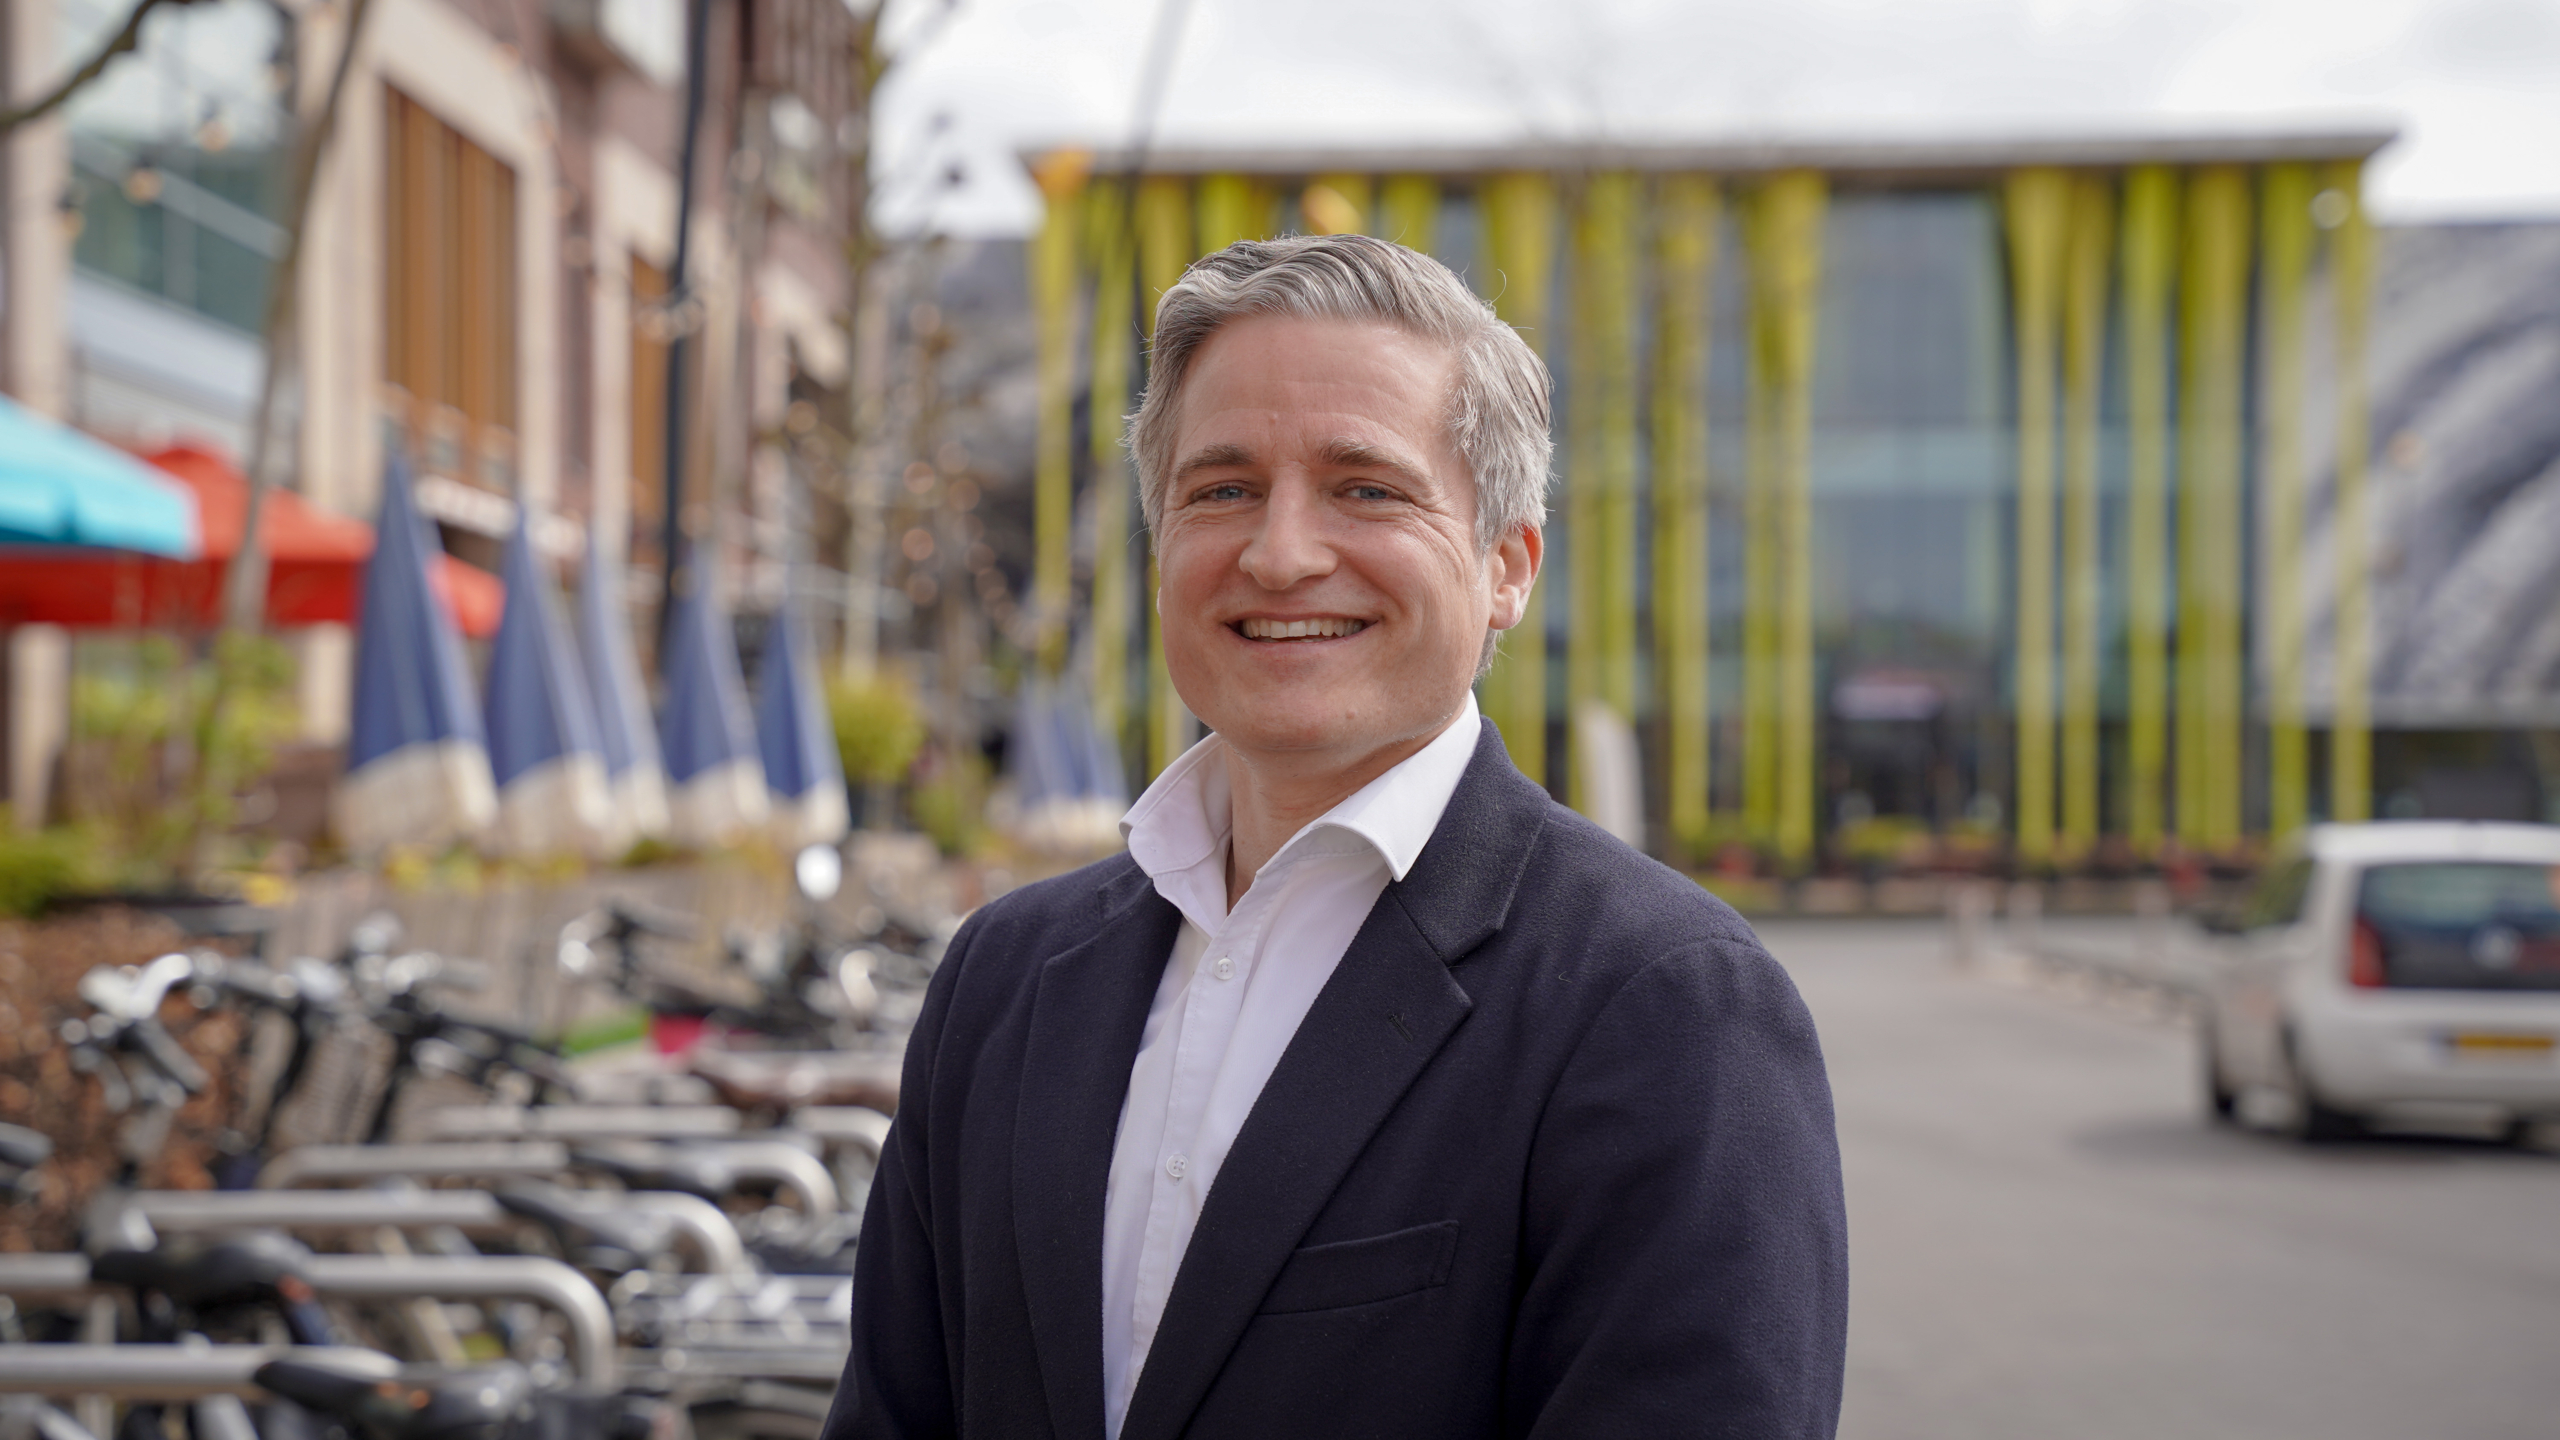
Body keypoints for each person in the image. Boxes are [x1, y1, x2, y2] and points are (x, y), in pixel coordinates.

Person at [821, 233, 1846, 1440]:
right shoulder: (1003, 978)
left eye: (1366, 486)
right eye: (1222, 489)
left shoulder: (1666, 1008)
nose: (1280, 552)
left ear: (1506, 566)